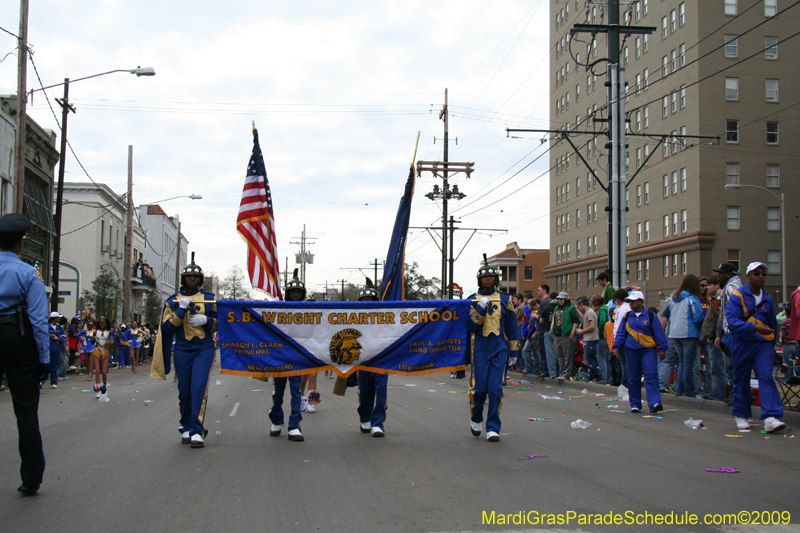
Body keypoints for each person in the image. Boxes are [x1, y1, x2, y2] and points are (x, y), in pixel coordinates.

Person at [0, 214, 49, 496]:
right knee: (26, 411)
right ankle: (31, 478)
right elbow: (38, 320)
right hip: (18, 338)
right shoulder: (28, 273)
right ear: (20, 243)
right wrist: (44, 358)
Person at [161, 254, 218, 448]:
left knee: (198, 388)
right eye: (188, 276)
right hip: (183, 348)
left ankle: (197, 429)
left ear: (200, 279)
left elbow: (222, 324)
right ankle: (185, 425)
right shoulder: (173, 301)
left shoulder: (210, 299)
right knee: (184, 391)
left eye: (195, 277)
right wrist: (180, 311)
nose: (192, 279)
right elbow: (167, 329)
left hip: (204, 348)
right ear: (183, 279)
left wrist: (208, 321)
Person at [724, 262, 785, 433]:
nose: (761, 277)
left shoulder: (767, 298)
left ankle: (771, 417)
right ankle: (741, 415)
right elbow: (732, 321)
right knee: (741, 379)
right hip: (742, 343)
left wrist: (771, 343)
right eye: (756, 273)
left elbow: (772, 323)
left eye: (763, 274)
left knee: (766, 375)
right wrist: (753, 327)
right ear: (748, 276)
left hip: (763, 344)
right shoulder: (738, 296)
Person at [466, 255, 520, 442]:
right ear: (479, 279)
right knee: (480, 389)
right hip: (480, 347)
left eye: (491, 276)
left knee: (495, 389)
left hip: (499, 346)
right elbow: (471, 327)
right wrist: (480, 309)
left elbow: (512, 326)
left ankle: (493, 427)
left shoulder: (506, 299)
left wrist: (514, 351)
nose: (488, 279)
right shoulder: (472, 299)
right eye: (484, 276)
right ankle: (476, 417)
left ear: (496, 279)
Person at [612, 291, 668, 413]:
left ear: (640, 301)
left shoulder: (651, 315)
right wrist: (616, 346)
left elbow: (659, 333)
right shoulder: (627, 316)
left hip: (648, 350)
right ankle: (635, 403)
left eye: (633, 301)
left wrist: (662, 349)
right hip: (631, 350)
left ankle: (654, 403)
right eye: (629, 301)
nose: (630, 304)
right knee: (633, 377)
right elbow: (621, 333)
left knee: (651, 375)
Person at [269, 269, 305, 442]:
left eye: (298, 292)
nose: (296, 295)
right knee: (278, 393)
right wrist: (271, 308)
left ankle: (294, 425)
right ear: (288, 294)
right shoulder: (278, 308)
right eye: (293, 292)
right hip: (280, 356)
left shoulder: (309, 310)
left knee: (296, 391)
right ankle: (276, 419)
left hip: (297, 356)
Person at [355, 278, 388, 437]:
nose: (367, 302)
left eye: (370, 300)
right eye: (364, 300)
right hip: (363, 360)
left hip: (381, 359)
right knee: (365, 392)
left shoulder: (384, 316)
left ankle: (378, 422)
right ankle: (365, 417)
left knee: (381, 390)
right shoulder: (352, 318)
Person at [667, 275, 705, 398]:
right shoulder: (692, 299)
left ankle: (679, 388)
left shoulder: (674, 299)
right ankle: (688, 390)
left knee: (682, 361)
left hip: (674, 333)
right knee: (688, 363)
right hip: (689, 333)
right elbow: (698, 317)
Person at [552, 292, 579, 381]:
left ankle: (566, 373)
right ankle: (561, 372)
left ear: (566, 299)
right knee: (559, 355)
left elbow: (576, 321)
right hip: (558, 335)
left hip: (567, 335)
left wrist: (572, 332)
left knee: (567, 355)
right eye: (558, 299)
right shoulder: (556, 308)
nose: (559, 301)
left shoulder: (571, 309)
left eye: (561, 299)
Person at [576, 296, 601, 382]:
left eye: (578, 305)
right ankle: (594, 376)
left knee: (587, 360)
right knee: (590, 359)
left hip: (591, 339)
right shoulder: (587, 312)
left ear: (581, 304)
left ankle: (597, 375)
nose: (578, 307)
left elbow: (592, 326)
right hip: (588, 338)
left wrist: (582, 331)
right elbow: (582, 318)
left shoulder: (590, 312)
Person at [92, 317, 113, 403]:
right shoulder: (96, 332)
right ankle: (98, 388)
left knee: (104, 372)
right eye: (100, 323)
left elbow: (112, 343)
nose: (102, 325)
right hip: (97, 351)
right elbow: (92, 342)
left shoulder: (109, 332)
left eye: (104, 323)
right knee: (97, 370)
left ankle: (104, 386)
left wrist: (110, 342)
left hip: (105, 351)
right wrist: (93, 340)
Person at [46, 312, 66, 389]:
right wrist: (50, 336)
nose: (59, 319)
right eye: (58, 317)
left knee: (55, 366)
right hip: (48, 348)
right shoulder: (47, 326)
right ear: (55, 318)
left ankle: (54, 382)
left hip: (57, 349)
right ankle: (42, 380)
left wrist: (58, 339)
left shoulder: (59, 327)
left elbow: (63, 337)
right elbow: (43, 335)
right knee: (47, 365)